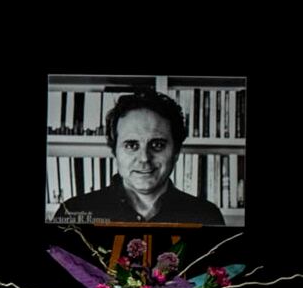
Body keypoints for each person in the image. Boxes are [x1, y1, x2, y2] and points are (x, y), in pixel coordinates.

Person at [55, 91, 225, 225]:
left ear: (176, 152)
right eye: (131, 145)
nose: (144, 158)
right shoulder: (72, 213)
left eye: (157, 145)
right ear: (114, 151)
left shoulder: (207, 216)